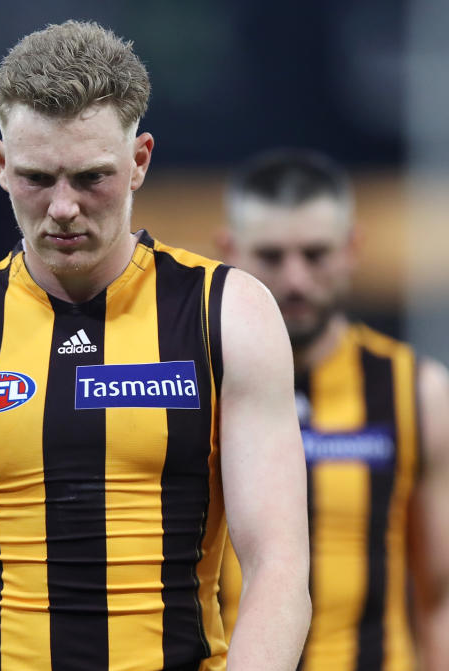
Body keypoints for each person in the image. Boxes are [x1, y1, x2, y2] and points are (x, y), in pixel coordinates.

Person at [0, 20, 311, 671]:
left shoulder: (227, 313)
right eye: (37, 178)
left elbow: (278, 572)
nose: (64, 207)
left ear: (139, 161)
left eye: (90, 177)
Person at [216, 149, 449, 671]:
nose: (296, 280)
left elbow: (439, 599)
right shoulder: (190, 388)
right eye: (272, 256)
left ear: (353, 249)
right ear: (228, 251)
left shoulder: (419, 394)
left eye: (316, 254)